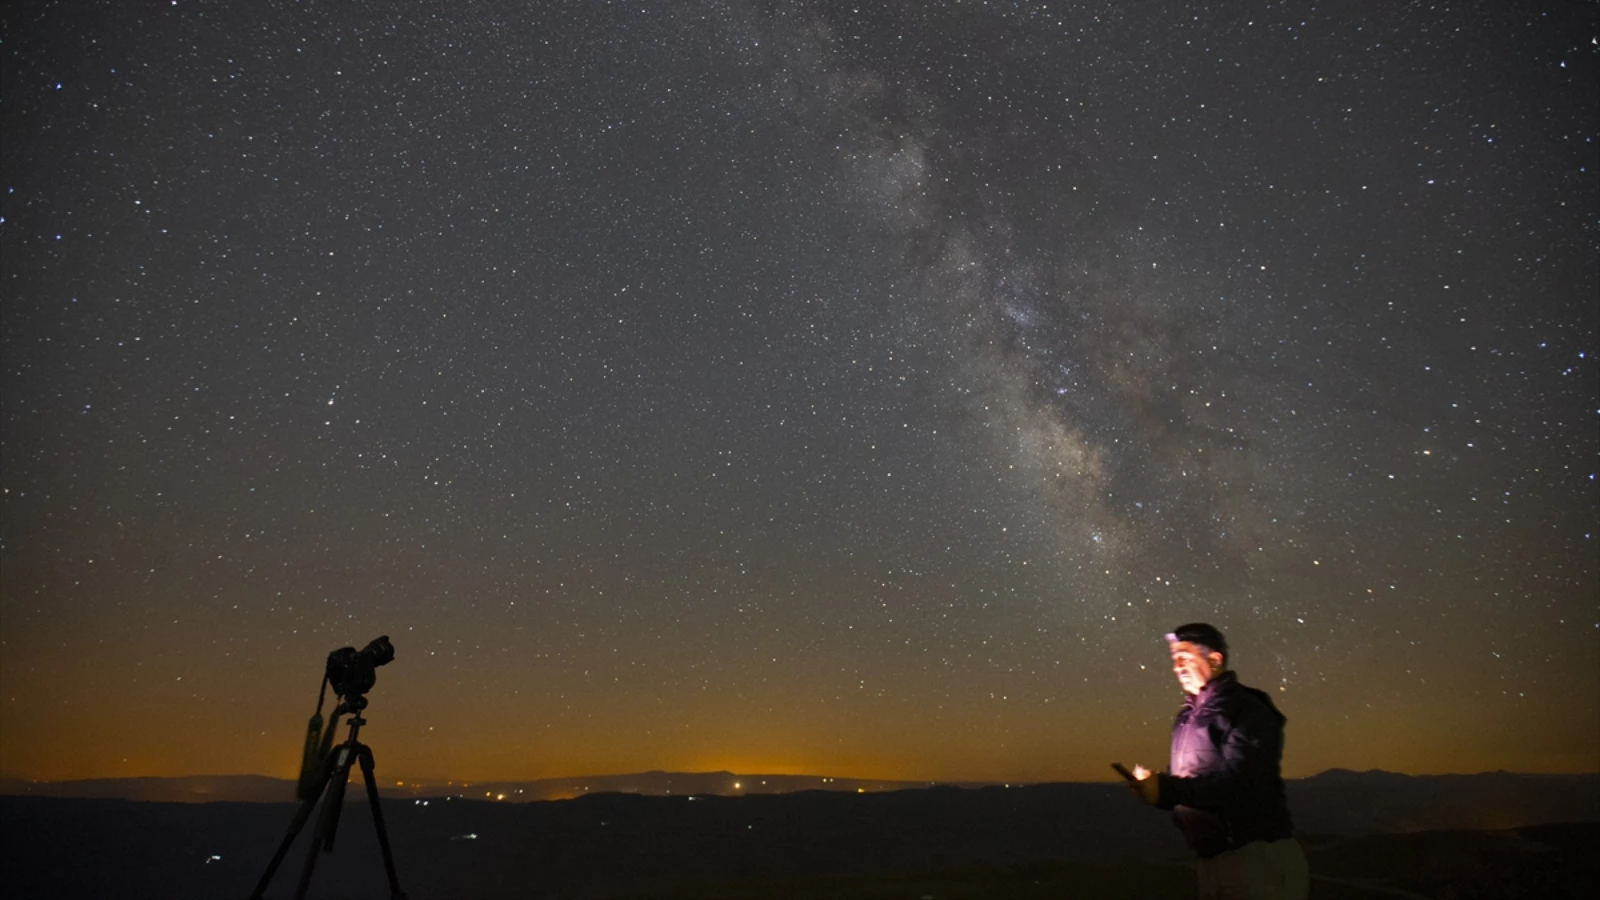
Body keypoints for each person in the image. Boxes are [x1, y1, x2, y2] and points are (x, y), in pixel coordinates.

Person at [1126, 623, 1309, 900]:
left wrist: (1165, 790)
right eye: (1174, 660)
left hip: (1255, 858)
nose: (1176, 667)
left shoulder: (1248, 709)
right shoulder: (1187, 718)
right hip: (1211, 861)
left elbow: (1243, 784)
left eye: (1184, 658)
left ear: (1214, 659)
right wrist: (1154, 788)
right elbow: (1194, 782)